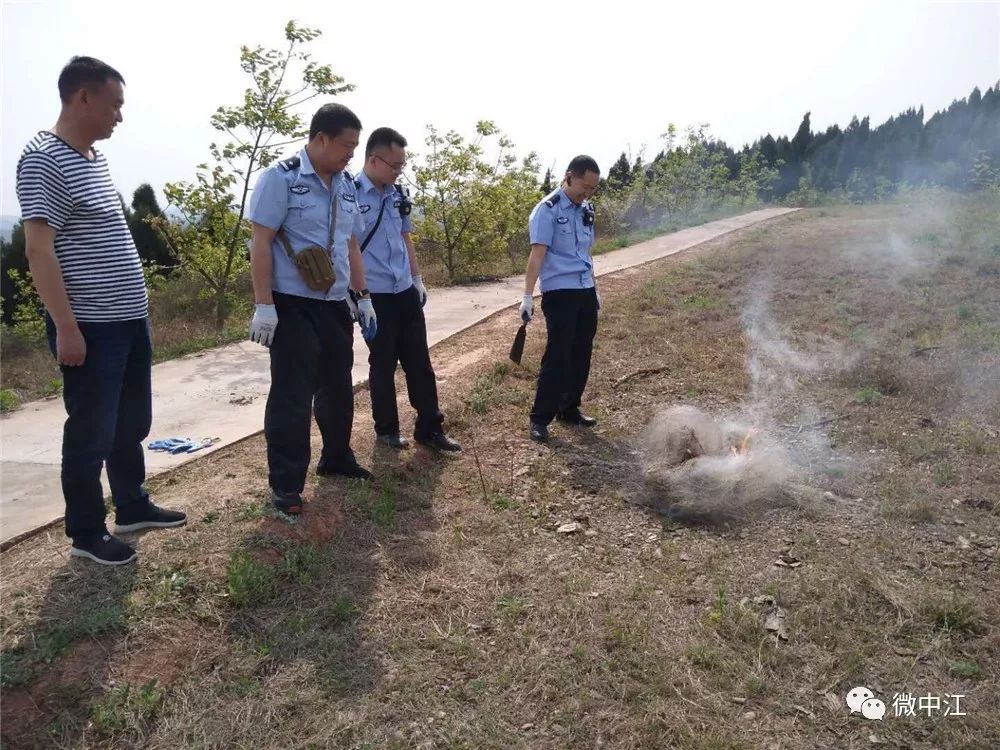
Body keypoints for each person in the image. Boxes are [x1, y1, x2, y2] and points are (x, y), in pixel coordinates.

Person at [16, 56, 187, 566]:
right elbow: (38, 251)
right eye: (115, 104)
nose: (119, 116)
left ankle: (132, 506)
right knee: (90, 431)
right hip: (89, 325)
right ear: (83, 97)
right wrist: (67, 328)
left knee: (131, 421)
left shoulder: (93, 157)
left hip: (129, 320)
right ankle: (87, 533)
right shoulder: (43, 158)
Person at [248, 103, 378, 515]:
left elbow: (351, 243)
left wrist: (363, 296)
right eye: (346, 145)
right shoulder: (280, 178)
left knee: (338, 386)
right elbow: (261, 242)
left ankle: (336, 457)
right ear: (320, 138)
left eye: (355, 148)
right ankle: (286, 486)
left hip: (333, 303)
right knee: (292, 395)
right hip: (291, 304)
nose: (350, 155)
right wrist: (264, 305)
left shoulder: (346, 184)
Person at [353, 127, 460, 452]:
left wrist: (417, 279)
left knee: (419, 362)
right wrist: (361, 297)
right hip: (375, 296)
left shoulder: (397, 194)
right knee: (383, 364)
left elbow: (405, 238)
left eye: (402, 165)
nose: (400, 171)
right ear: (374, 159)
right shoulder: (350, 195)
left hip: (404, 291)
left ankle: (430, 427)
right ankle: (386, 430)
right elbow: (349, 247)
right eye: (395, 164)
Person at [519, 155, 602, 443]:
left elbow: (587, 253)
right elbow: (537, 254)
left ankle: (569, 407)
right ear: (569, 177)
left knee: (582, 352)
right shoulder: (547, 210)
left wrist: (595, 288)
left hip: (584, 289)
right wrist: (527, 296)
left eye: (593, 188)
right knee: (558, 355)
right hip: (560, 292)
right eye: (584, 186)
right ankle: (540, 418)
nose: (587, 193)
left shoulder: (586, 209)